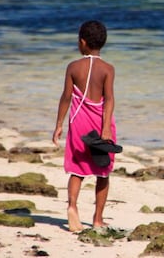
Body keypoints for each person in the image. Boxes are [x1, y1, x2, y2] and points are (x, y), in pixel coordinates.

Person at [52, 20, 117, 232]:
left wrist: (59, 124)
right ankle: (98, 219)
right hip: (100, 124)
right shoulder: (108, 69)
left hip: (78, 122)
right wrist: (106, 127)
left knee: (78, 170)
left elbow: (66, 98)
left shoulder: (73, 67)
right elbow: (109, 99)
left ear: (82, 42)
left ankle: (72, 206)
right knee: (103, 172)